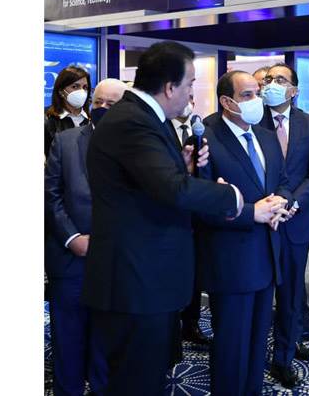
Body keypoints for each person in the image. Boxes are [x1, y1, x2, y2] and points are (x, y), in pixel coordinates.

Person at [81, 42, 281, 396]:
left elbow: (155, 184)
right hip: (135, 280)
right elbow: (173, 190)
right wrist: (235, 198)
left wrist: (185, 168)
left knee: (147, 377)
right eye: (190, 84)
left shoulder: (145, 120)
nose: (191, 92)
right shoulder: (132, 122)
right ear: (170, 87)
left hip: (148, 279)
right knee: (134, 382)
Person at [197, 70, 294, 395]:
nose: (257, 100)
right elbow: (203, 204)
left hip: (267, 255)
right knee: (231, 345)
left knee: (256, 344)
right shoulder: (207, 139)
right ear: (227, 102)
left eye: (258, 93)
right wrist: (255, 212)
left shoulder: (265, 135)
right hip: (231, 259)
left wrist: (280, 202)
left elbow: (282, 181)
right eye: (248, 95)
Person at [44, 78, 126, 396]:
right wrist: (72, 237)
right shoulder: (65, 141)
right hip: (70, 260)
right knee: (68, 344)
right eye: (98, 102)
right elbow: (50, 195)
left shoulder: (138, 146)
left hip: (117, 262)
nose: (103, 108)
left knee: (108, 344)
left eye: (112, 104)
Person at [259, 64, 309, 388]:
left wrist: (293, 202)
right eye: (268, 79)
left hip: (296, 220)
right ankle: (253, 352)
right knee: (260, 294)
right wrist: (272, 203)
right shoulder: (253, 120)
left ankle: (283, 358)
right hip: (261, 220)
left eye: (279, 79)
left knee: (290, 295)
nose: (271, 84)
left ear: (294, 90)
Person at [170, 97, 210, 346]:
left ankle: (191, 323)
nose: (188, 102)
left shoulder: (200, 128)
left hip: (197, 213)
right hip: (170, 212)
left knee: (195, 272)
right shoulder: (161, 128)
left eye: (192, 98)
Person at [45, 65, 92, 158]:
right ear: (61, 91)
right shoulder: (46, 119)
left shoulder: (92, 120)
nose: (81, 92)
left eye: (85, 87)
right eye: (75, 86)